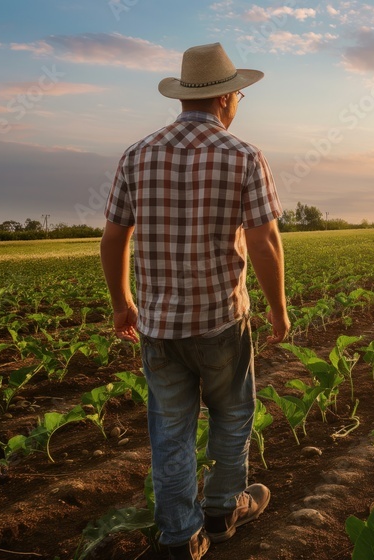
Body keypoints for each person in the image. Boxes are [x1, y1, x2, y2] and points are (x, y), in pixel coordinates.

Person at [100, 42, 289, 560]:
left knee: (170, 431)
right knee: (231, 414)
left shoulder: (137, 154)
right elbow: (265, 242)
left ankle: (180, 536)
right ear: (227, 98)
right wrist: (278, 308)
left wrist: (122, 304)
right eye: (239, 96)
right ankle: (225, 509)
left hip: (158, 325)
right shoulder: (243, 155)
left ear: (185, 97)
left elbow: (114, 238)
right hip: (222, 319)